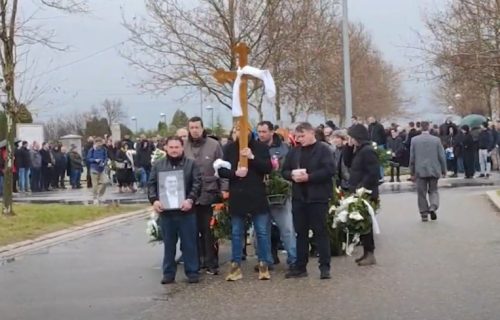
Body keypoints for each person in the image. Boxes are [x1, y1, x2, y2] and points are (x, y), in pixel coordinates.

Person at [217, 123, 273, 281]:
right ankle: (235, 265)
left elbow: (268, 167)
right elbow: (221, 170)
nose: (239, 133)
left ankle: (263, 263)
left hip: (256, 194)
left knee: (261, 231)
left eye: (243, 130)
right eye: (236, 130)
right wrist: (235, 173)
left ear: (250, 131)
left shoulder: (260, 147)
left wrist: (252, 158)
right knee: (236, 233)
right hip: (238, 195)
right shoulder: (229, 148)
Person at [282, 122, 335, 279]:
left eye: (302, 136)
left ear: (311, 133)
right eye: (297, 136)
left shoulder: (323, 149)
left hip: (318, 197)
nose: (299, 139)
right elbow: (283, 170)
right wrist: (292, 175)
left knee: (320, 232)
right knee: (301, 233)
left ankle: (325, 267)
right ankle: (300, 267)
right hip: (299, 197)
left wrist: (309, 177)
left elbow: (330, 170)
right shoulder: (294, 151)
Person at [148, 136, 202, 285]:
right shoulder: (158, 165)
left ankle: (192, 272)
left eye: (176, 147)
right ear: (166, 148)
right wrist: (154, 200)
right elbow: (151, 185)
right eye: (171, 147)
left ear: (182, 147)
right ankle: (168, 273)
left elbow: (197, 183)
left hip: (186, 212)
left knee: (189, 244)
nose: (174, 150)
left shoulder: (191, 164)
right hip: (167, 213)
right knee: (169, 244)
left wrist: (190, 199)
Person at [184, 116, 225, 275]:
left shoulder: (214, 145)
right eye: (191, 127)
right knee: (192, 231)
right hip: (189, 195)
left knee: (209, 231)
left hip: (209, 193)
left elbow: (223, 169)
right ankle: (197, 261)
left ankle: (211, 262)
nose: (194, 130)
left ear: (202, 128)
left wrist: (224, 189)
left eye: (197, 127)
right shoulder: (184, 146)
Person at [257, 120, 297, 270]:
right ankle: (265, 260)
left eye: (264, 132)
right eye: (259, 132)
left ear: (271, 132)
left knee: (286, 228)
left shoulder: (284, 148)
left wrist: (281, 181)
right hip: (260, 194)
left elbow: (288, 168)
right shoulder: (254, 147)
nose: (261, 135)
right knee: (262, 230)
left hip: (280, 193)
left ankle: (293, 259)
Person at [343, 124, 380, 266]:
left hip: (365, 193)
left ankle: (370, 253)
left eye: (350, 137)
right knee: (361, 224)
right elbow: (347, 162)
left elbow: (373, 173)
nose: (349, 139)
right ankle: (366, 252)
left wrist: (361, 188)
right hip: (358, 191)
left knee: (365, 224)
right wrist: (348, 146)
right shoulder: (358, 150)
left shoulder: (368, 151)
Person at [410, 121, 447, 222]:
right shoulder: (436, 140)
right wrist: (444, 169)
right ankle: (433, 206)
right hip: (434, 169)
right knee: (433, 190)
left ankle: (424, 213)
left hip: (420, 170)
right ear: (429, 127)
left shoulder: (414, 140)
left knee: (421, 193)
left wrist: (412, 172)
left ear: (420, 128)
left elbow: (412, 158)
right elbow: (441, 156)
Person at [86, 137, 108, 205]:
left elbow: (106, 157)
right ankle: (95, 197)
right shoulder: (92, 150)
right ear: (95, 143)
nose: (99, 144)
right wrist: (95, 160)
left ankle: (100, 195)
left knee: (105, 182)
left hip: (101, 168)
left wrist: (104, 162)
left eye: (100, 142)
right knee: (95, 185)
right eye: (97, 142)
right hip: (94, 168)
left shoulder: (104, 149)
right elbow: (88, 158)